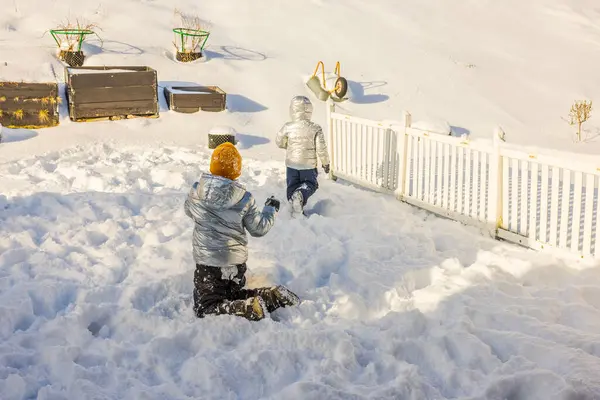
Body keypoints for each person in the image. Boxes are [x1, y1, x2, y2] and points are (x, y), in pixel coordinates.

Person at [184, 142, 299, 321]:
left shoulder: (196, 191)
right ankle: (271, 296)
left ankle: (246, 309)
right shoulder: (245, 199)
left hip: (208, 265)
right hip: (236, 265)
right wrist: (270, 210)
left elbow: (188, 210)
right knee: (230, 295)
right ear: (236, 170)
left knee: (204, 306)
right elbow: (258, 229)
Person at [275, 95, 330, 216]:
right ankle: (300, 196)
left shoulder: (288, 126)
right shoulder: (315, 128)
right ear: (309, 110)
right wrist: (326, 162)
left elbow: (279, 141)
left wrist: (288, 146)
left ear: (293, 110)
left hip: (292, 164)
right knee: (311, 184)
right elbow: (321, 147)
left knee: (292, 186)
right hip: (308, 166)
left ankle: (294, 209)